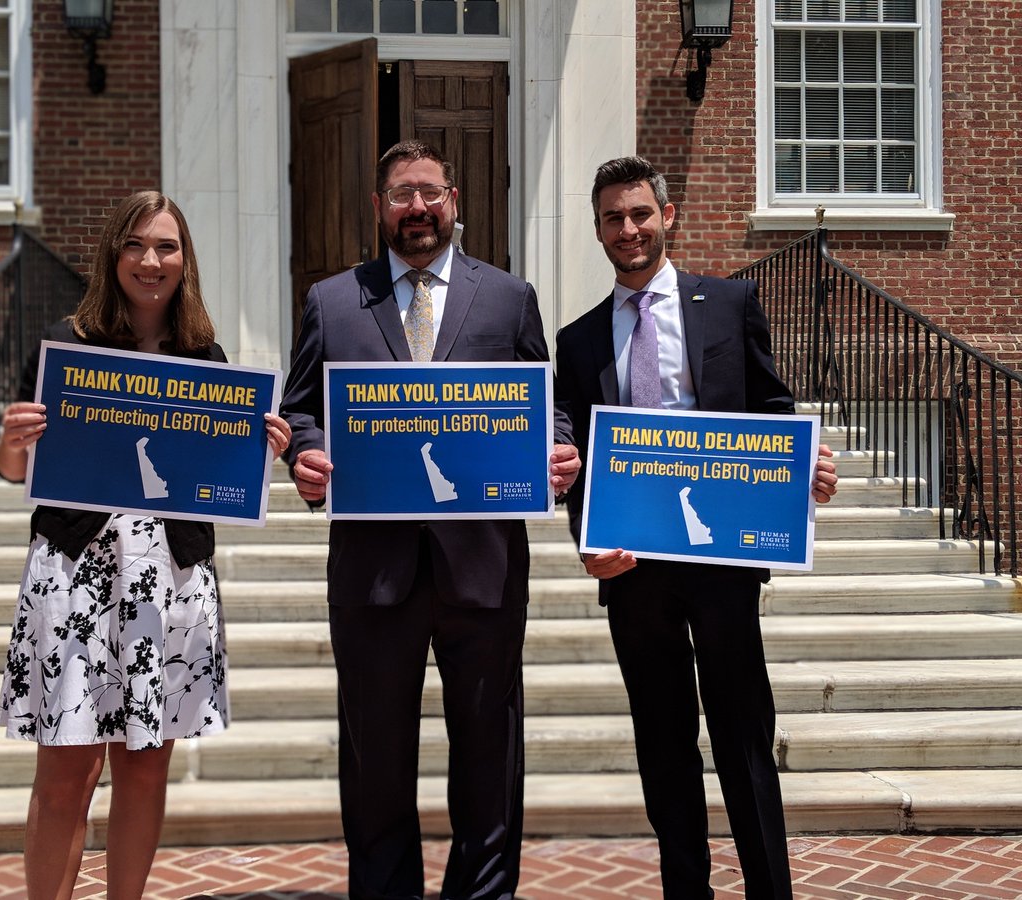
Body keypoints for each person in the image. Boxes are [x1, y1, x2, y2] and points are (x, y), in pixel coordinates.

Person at [280, 140, 581, 900]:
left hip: (482, 567)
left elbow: (550, 407)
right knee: (376, 758)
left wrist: (558, 446)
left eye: (429, 193)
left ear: (456, 203)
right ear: (379, 208)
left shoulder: (509, 298)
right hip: (373, 571)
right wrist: (306, 458)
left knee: (488, 753)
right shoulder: (333, 300)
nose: (416, 209)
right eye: (400, 195)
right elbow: (302, 410)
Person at [554, 156, 839, 900]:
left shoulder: (728, 303)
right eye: (613, 218)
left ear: (667, 215)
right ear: (598, 230)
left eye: (640, 213)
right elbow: (575, 458)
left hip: (720, 560)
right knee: (664, 742)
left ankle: (769, 889)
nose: (629, 228)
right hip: (633, 568)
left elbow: (772, 412)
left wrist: (805, 467)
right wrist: (586, 537)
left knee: (744, 736)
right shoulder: (578, 341)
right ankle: (687, 889)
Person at [0, 190, 291, 900]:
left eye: (166, 246)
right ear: (112, 255)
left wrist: (260, 456)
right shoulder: (67, 344)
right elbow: (18, 471)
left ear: (185, 261)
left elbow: (218, 480)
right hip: (77, 571)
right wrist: (12, 445)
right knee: (69, 767)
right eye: (135, 244)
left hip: (170, 578)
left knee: (146, 764)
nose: (150, 260)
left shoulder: (206, 358)